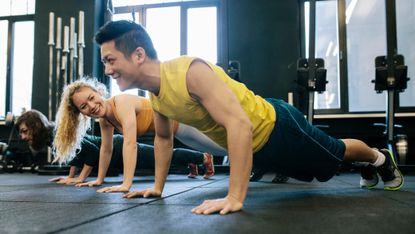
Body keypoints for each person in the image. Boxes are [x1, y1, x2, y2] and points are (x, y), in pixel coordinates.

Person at [93, 20, 404, 215]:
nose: (107, 70)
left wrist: (234, 197)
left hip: (279, 126)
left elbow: (238, 124)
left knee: (336, 153)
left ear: (137, 54)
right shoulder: (156, 95)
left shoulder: (189, 72)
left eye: (110, 60)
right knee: (323, 172)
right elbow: (163, 139)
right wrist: (158, 187)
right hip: (260, 148)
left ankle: (378, 158)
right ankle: (367, 163)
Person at [54, 78, 227, 193]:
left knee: (230, 146)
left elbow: (130, 144)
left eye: (92, 97)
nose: (91, 106)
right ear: (81, 113)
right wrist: (99, 179)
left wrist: (126, 184)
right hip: (176, 131)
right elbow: (106, 150)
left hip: (183, 122)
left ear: (98, 91)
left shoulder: (121, 102)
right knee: (225, 149)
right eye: (84, 106)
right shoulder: (105, 120)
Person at [15, 110, 215, 184]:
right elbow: (77, 155)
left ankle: (204, 157)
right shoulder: (53, 137)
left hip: (117, 148)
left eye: (25, 131)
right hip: (113, 154)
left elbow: (91, 152)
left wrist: (80, 179)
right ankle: (194, 161)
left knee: (161, 156)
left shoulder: (57, 134)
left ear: (36, 126)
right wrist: (71, 176)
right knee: (160, 159)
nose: (23, 136)